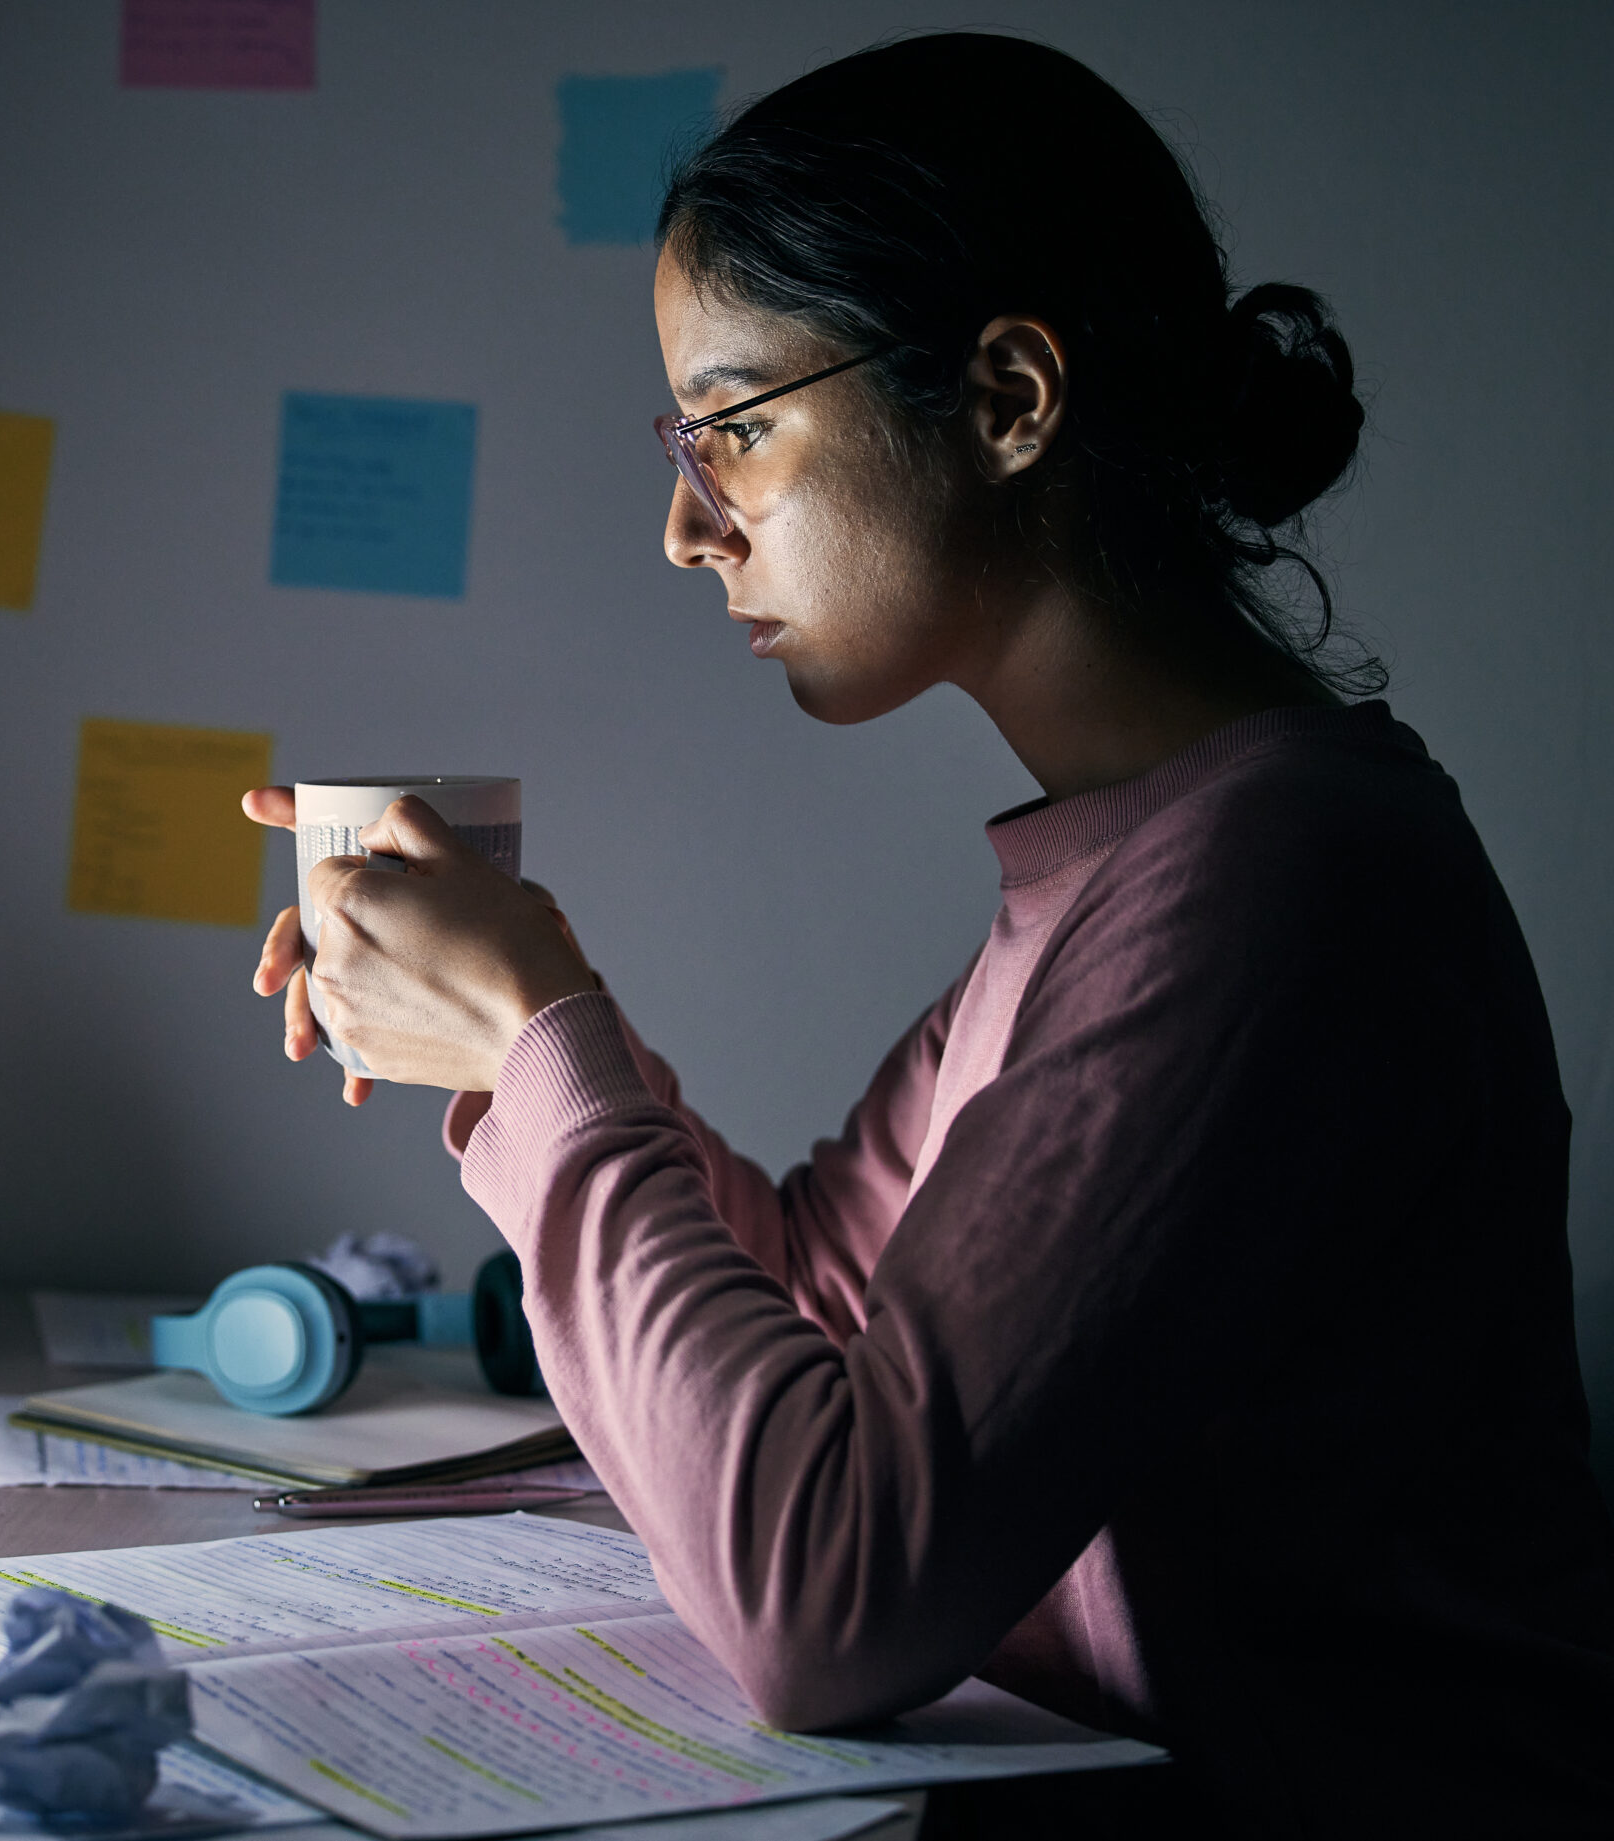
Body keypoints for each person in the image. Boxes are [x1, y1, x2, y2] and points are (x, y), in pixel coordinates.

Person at [242, 32, 1614, 1837]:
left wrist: (536, 1039)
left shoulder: (1280, 883)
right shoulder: (1156, 855)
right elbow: (822, 1289)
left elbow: (829, 1601)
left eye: (735, 427)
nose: (685, 526)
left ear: (1008, 398)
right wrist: (530, 1034)